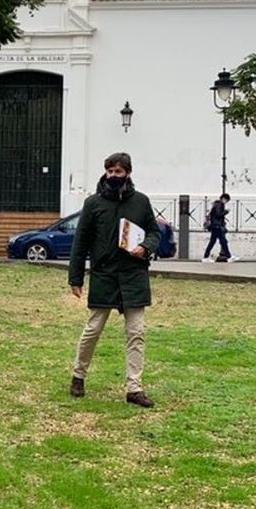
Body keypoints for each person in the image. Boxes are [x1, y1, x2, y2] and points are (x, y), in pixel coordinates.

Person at [67, 152, 161, 408]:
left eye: (118, 172)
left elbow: (154, 231)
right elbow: (81, 242)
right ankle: (78, 375)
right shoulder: (93, 203)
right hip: (104, 275)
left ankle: (134, 388)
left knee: (136, 333)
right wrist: (75, 277)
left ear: (128, 173)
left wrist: (146, 247)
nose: (113, 176)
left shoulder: (141, 202)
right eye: (110, 171)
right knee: (93, 329)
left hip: (133, 275)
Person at [202, 192, 233, 263]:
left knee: (216, 242)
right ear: (223, 198)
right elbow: (218, 215)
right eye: (226, 200)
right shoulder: (219, 204)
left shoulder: (216, 204)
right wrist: (226, 211)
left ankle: (206, 257)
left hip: (215, 226)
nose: (226, 202)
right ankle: (229, 257)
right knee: (222, 242)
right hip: (217, 226)